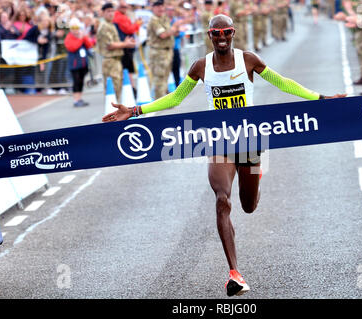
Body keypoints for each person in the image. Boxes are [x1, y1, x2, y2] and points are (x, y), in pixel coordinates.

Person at [103, 14, 346, 297]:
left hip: (251, 141)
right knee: (222, 200)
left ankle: (256, 174)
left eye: (227, 32)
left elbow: (283, 83)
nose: (221, 37)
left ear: (233, 33)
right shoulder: (201, 66)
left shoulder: (249, 60)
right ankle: (235, 274)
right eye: (216, 33)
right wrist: (135, 111)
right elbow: (176, 98)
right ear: (209, 35)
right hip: (219, 142)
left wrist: (321, 99)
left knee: (249, 206)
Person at [96, 2, 136, 101]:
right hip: (110, 61)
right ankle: (112, 114)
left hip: (116, 60)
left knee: (117, 88)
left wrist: (124, 43)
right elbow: (110, 45)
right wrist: (125, 44)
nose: (111, 13)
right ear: (103, 13)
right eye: (108, 11)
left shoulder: (110, 24)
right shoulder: (104, 26)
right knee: (113, 90)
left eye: (112, 11)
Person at [146, 0, 182, 99]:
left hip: (167, 51)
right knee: (159, 78)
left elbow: (170, 32)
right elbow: (163, 34)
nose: (161, 8)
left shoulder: (164, 18)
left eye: (162, 6)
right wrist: (174, 28)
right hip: (158, 52)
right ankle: (158, 102)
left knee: (165, 77)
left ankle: (164, 100)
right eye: (158, 6)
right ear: (153, 8)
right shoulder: (154, 20)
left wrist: (175, 30)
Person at [113, 0, 142, 95]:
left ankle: (130, 89)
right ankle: (131, 89)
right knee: (127, 69)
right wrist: (137, 24)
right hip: (125, 47)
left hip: (126, 46)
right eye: (122, 7)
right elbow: (129, 29)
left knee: (127, 69)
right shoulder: (120, 17)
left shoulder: (121, 16)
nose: (125, 8)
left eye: (126, 7)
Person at [64, 17, 94, 107]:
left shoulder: (82, 36)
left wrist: (84, 37)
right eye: (73, 28)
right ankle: (76, 100)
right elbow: (72, 47)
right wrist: (80, 39)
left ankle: (79, 98)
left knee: (81, 82)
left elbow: (89, 45)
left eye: (77, 28)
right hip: (74, 65)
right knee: (76, 82)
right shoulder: (68, 38)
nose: (75, 30)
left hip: (83, 64)